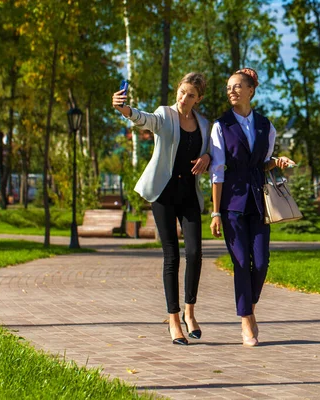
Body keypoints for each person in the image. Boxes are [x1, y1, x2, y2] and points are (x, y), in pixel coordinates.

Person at [112, 72, 210, 346]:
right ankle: (174, 319)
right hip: (164, 194)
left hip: (189, 194)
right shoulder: (164, 115)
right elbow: (144, 118)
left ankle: (190, 312)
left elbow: (214, 150)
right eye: (181, 92)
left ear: (198, 98)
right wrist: (124, 109)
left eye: (190, 95)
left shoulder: (203, 123)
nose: (184, 98)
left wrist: (207, 156)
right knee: (172, 256)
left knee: (195, 252)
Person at [208, 68, 295, 347]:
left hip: (259, 201)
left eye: (236, 87)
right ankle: (246, 318)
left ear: (250, 90)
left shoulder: (265, 125)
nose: (231, 91)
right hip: (232, 203)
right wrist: (215, 211)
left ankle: (250, 306)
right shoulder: (221, 126)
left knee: (262, 262)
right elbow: (217, 170)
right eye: (228, 88)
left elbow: (263, 162)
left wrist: (277, 161)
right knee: (242, 262)